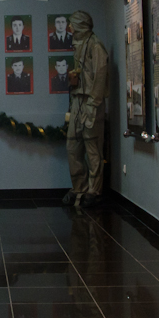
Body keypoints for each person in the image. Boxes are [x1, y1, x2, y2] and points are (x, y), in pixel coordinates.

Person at [64, 11, 109, 208]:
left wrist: (93, 103)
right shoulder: (78, 44)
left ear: (80, 25)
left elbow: (100, 76)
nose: (69, 28)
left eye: (72, 24)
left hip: (91, 102)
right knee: (72, 145)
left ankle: (94, 191)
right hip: (77, 101)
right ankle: (79, 188)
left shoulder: (95, 45)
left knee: (92, 147)